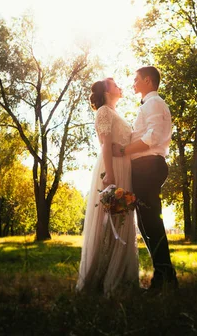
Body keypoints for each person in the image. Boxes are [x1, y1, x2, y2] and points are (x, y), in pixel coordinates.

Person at [113, 66, 178, 290]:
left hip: (149, 166)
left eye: (136, 79)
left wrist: (123, 151)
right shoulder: (149, 104)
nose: (133, 83)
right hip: (144, 167)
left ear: (148, 81)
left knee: (151, 222)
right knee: (145, 222)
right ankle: (165, 273)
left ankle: (164, 277)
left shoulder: (154, 103)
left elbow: (153, 136)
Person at [76, 78, 139, 295]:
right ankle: (103, 276)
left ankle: (123, 275)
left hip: (124, 167)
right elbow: (105, 145)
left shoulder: (116, 113)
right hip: (111, 167)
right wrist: (110, 175)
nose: (119, 85)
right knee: (112, 217)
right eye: (114, 83)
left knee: (123, 217)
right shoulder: (103, 111)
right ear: (106, 91)